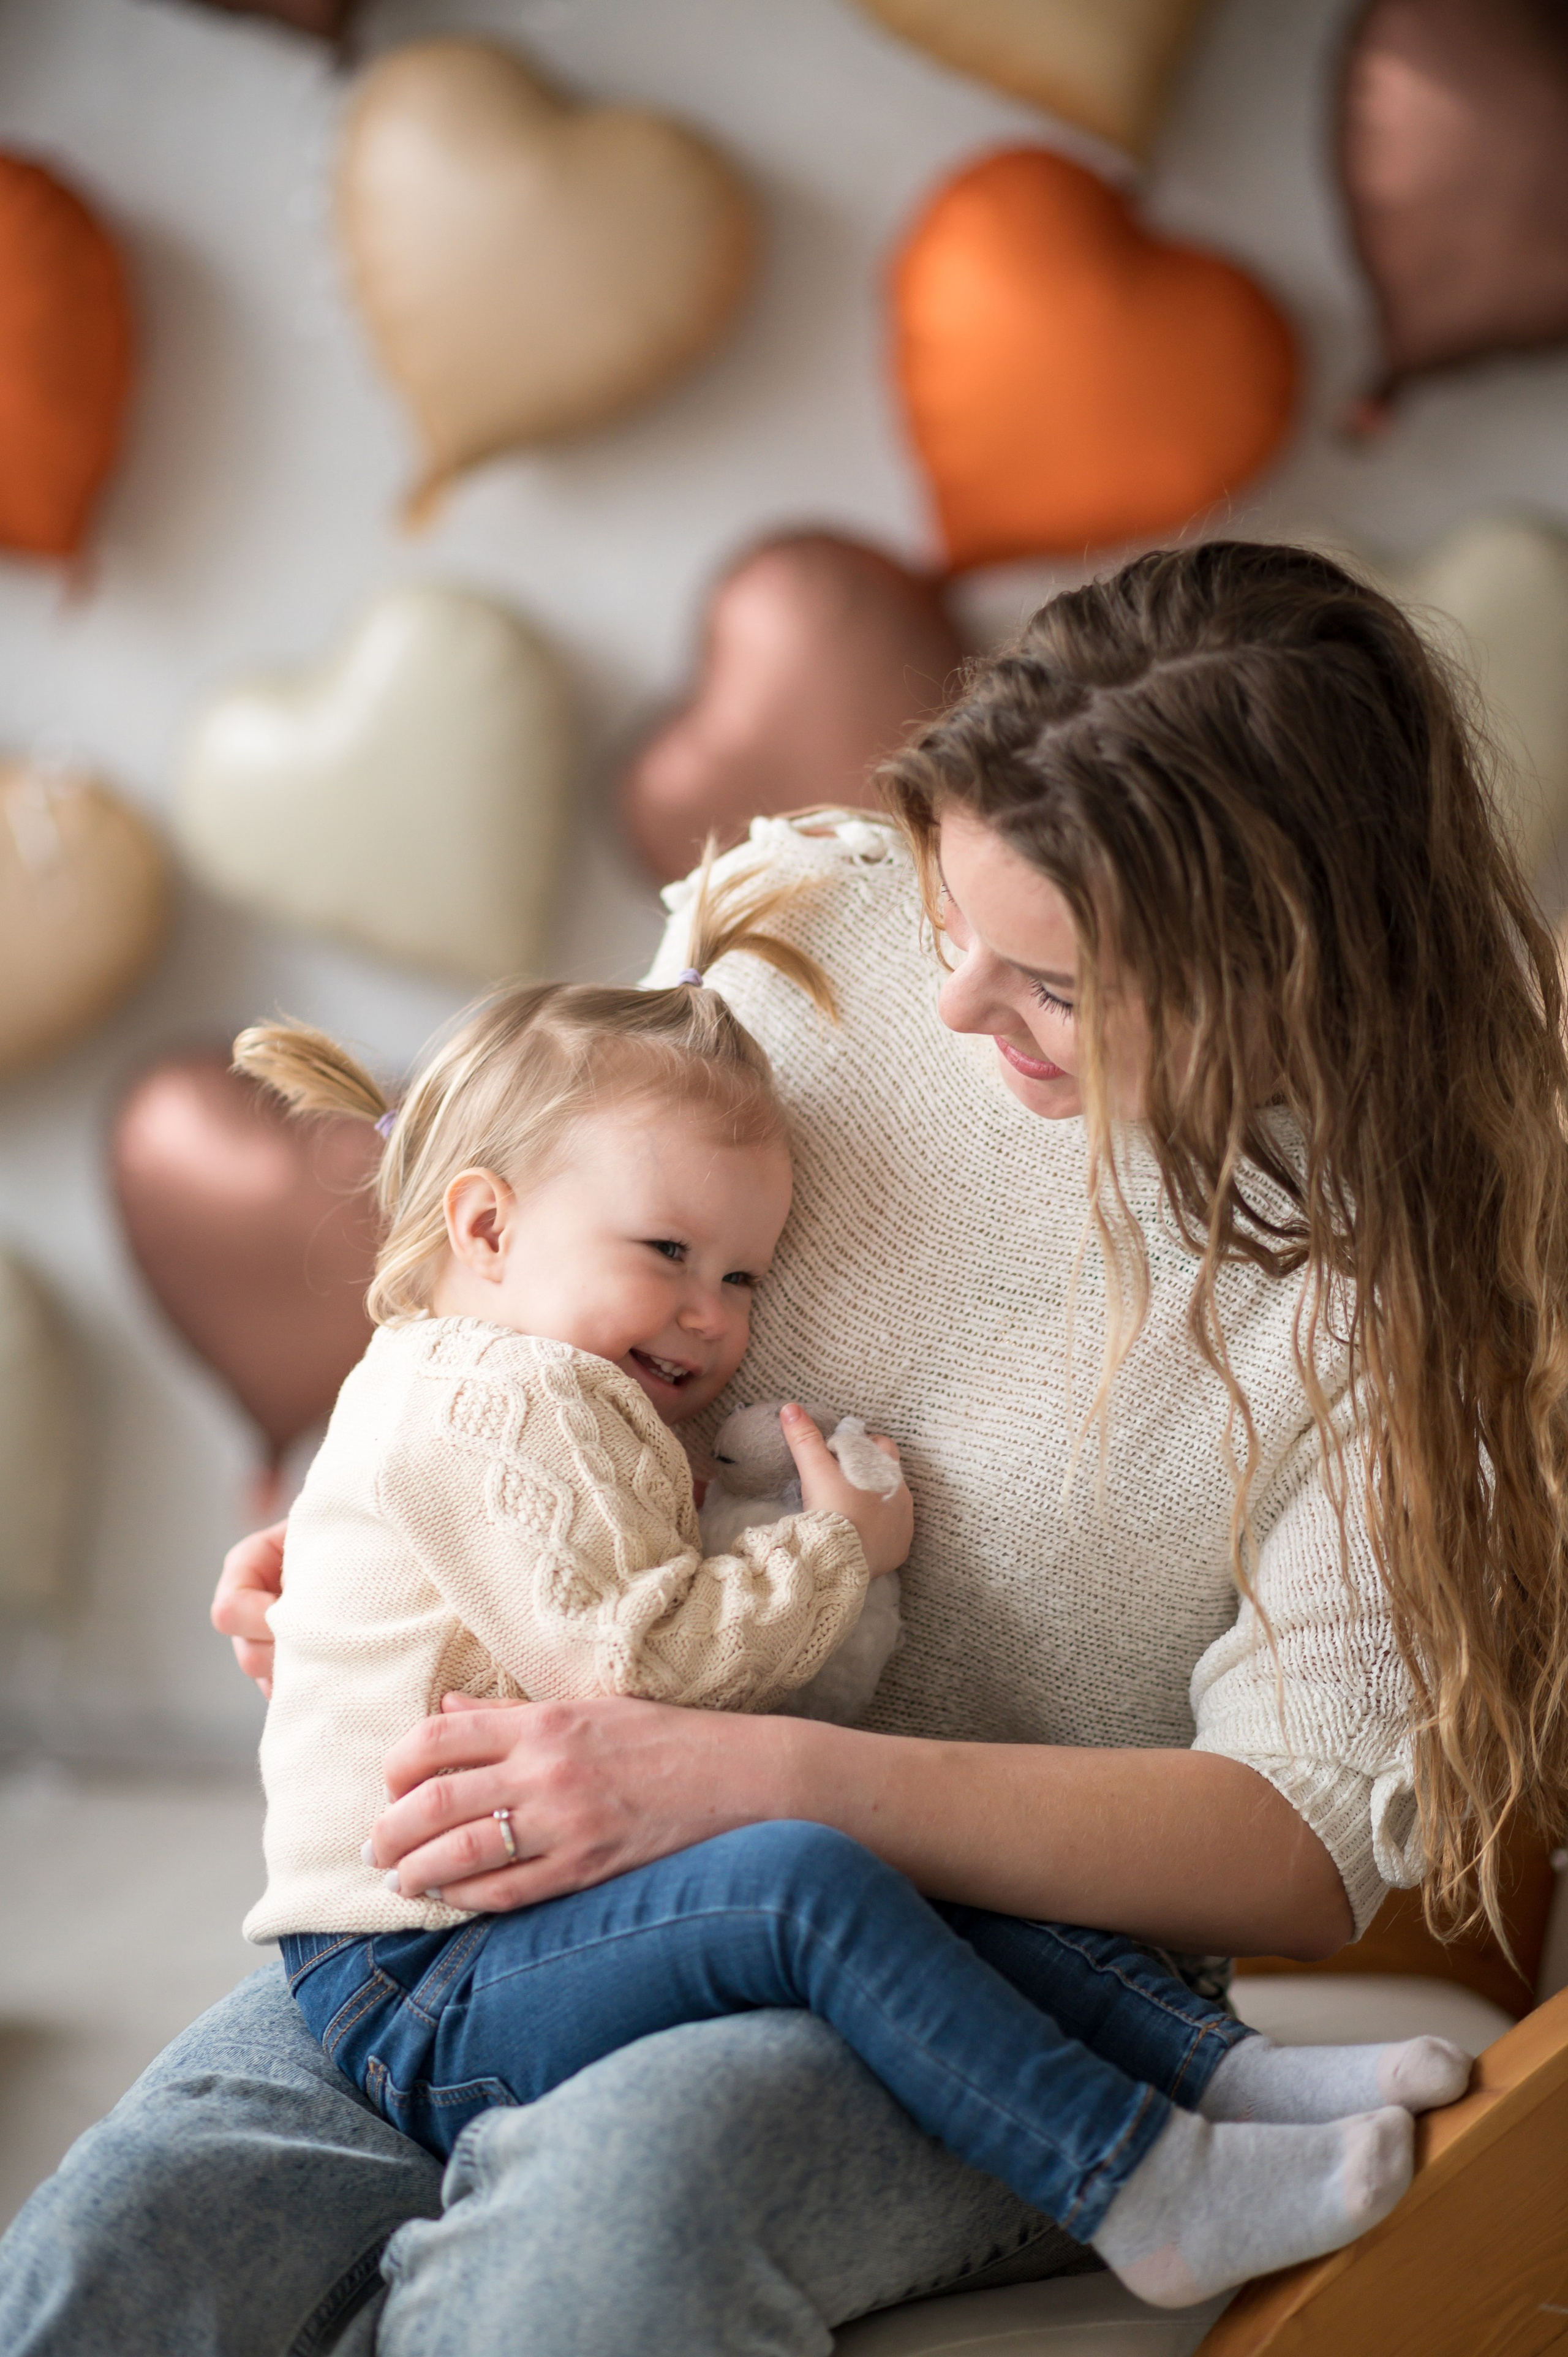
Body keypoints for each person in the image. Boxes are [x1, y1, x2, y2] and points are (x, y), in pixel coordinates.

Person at [4, 541, 1564, 2357]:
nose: (959, 1002)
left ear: (1276, 969)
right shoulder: (810, 929)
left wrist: (756, 1779)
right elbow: (534, 1273)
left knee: (596, 2233)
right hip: (535, 1883)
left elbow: (1300, 1845)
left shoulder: (1409, 1281)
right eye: (950, 916)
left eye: (1053, 985)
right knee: (115, 2247)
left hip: (998, 1975)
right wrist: (398, 1536)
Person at [230, 852, 1461, 2312]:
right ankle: (1142, 2179)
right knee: (805, 1867)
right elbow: (637, 1670)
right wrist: (830, 1548)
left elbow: (628, 1562)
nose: (709, 1311)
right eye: (670, 1256)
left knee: (889, 1840)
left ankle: (1220, 2075)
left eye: (745, 1278)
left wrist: (745, 1478)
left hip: (509, 1913)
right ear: (486, 1228)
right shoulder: (500, 1400)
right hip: (421, 1966)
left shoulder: (536, 1368)